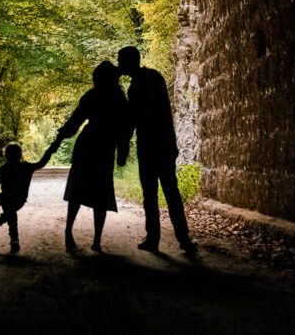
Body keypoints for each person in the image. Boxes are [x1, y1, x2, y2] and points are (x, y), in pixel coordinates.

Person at [117, 46, 198, 255]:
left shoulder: (135, 88)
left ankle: (153, 238)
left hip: (149, 147)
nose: (119, 65)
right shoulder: (155, 77)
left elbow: (132, 120)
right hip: (164, 144)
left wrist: (123, 147)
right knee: (171, 192)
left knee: (151, 195)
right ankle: (183, 238)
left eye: (121, 61)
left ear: (129, 62)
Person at [57, 61, 129, 252]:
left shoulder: (92, 95)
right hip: (105, 148)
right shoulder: (119, 98)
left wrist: (61, 135)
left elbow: (75, 122)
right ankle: (96, 240)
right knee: (101, 193)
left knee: (78, 191)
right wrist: (122, 152)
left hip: (87, 145)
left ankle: (68, 233)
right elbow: (124, 130)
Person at [0, 138, 61, 253]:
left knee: (11, 215)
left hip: (6, 199)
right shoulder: (26, 167)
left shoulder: (4, 168)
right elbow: (42, 163)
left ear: (6, 155)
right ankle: (13, 239)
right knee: (12, 215)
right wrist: (51, 149)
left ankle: (6, 229)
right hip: (20, 199)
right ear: (20, 155)